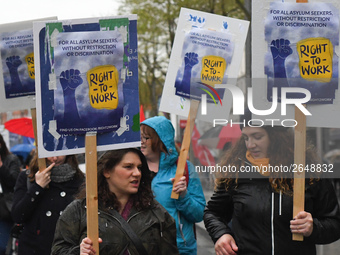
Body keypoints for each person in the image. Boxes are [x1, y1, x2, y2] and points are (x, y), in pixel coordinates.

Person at [204, 123, 340, 255]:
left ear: (276, 136)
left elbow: (334, 224)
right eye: (246, 138)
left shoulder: (309, 173)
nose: (250, 145)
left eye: (257, 137)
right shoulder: (236, 173)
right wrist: (221, 234)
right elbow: (213, 213)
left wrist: (313, 228)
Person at [51, 148, 179, 255]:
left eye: (139, 167)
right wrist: (79, 252)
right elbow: (58, 251)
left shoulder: (155, 212)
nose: (137, 173)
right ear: (107, 171)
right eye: (128, 167)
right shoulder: (79, 210)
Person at [141, 116, 206, 255]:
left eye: (146, 138)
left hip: (179, 248)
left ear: (160, 140)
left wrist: (184, 196)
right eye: (139, 137)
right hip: (143, 248)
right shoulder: (135, 169)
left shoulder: (184, 169)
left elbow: (199, 214)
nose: (141, 142)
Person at [11, 152, 85, 255]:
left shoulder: (79, 179)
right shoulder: (28, 177)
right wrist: (37, 187)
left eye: (60, 153)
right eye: (50, 153)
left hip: (67, 248)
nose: (54, 158)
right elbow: (18, 215)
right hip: (34, 248)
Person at [0, 134, 21, 255]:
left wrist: (1, 166)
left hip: (5, 209)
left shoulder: (11, 159)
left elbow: (14, 181)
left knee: (3, 246)